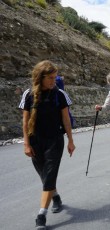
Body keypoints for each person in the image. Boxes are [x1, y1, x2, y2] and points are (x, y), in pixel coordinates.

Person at [18, 60, 75, 229]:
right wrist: (26, 144)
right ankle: (55, 197)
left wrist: (71, 141)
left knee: (49, 175)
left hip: (55, 140)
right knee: (44, 175)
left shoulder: (59, 94)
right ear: (40, 77)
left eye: (55, 77)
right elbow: (25, 121)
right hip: (35, 141)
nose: (53, 81)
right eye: (50, 78)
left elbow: (66, 119)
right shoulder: (28, 94)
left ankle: (41, 214)